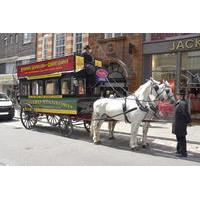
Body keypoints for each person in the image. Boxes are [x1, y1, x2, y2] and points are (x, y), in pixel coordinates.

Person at [172, 89, 191, 157]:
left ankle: (184, 153)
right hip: (178, 123)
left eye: (177, 95)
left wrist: (188, 121)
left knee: (181, 138)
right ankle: (179, 150)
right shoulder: (179, 102)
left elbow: (185, 114)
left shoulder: (183, 103)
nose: (176, 96)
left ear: (181, 96)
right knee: (179, 138)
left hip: (180, 124)